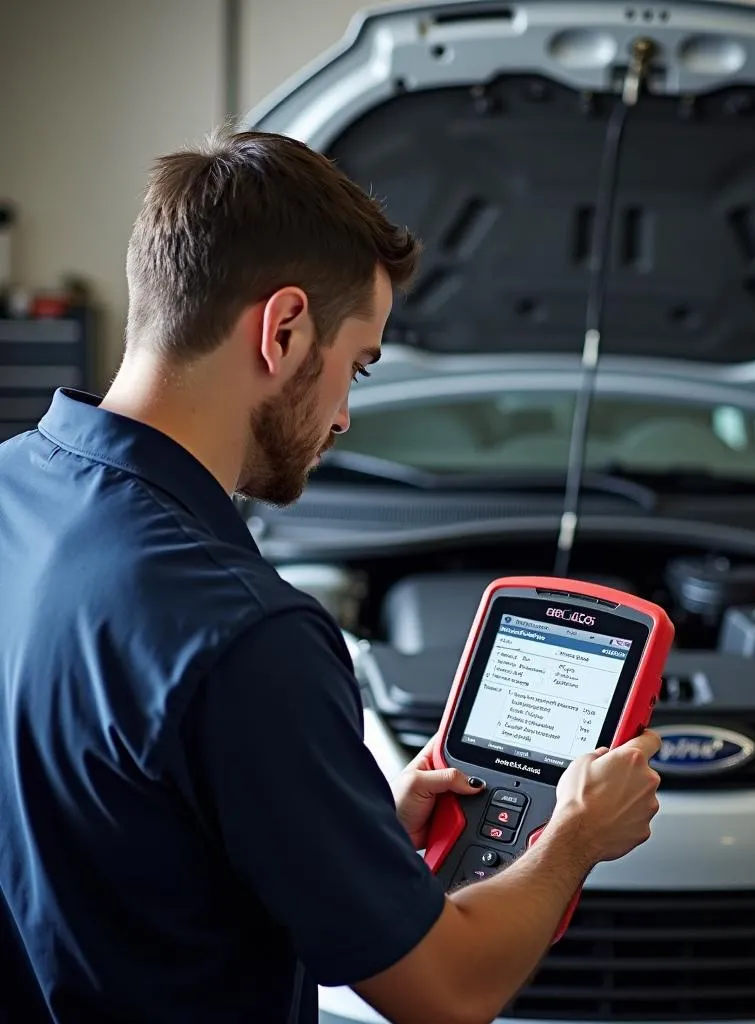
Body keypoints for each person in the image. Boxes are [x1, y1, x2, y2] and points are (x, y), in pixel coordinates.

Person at [0, 129, 663, 1024]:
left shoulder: (11, 490)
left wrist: (352, 833)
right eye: (356, 364)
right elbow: (446, 990)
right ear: (282, 330)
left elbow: (113, 832)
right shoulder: (244, 633)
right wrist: (576, 838)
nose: (346, 413)